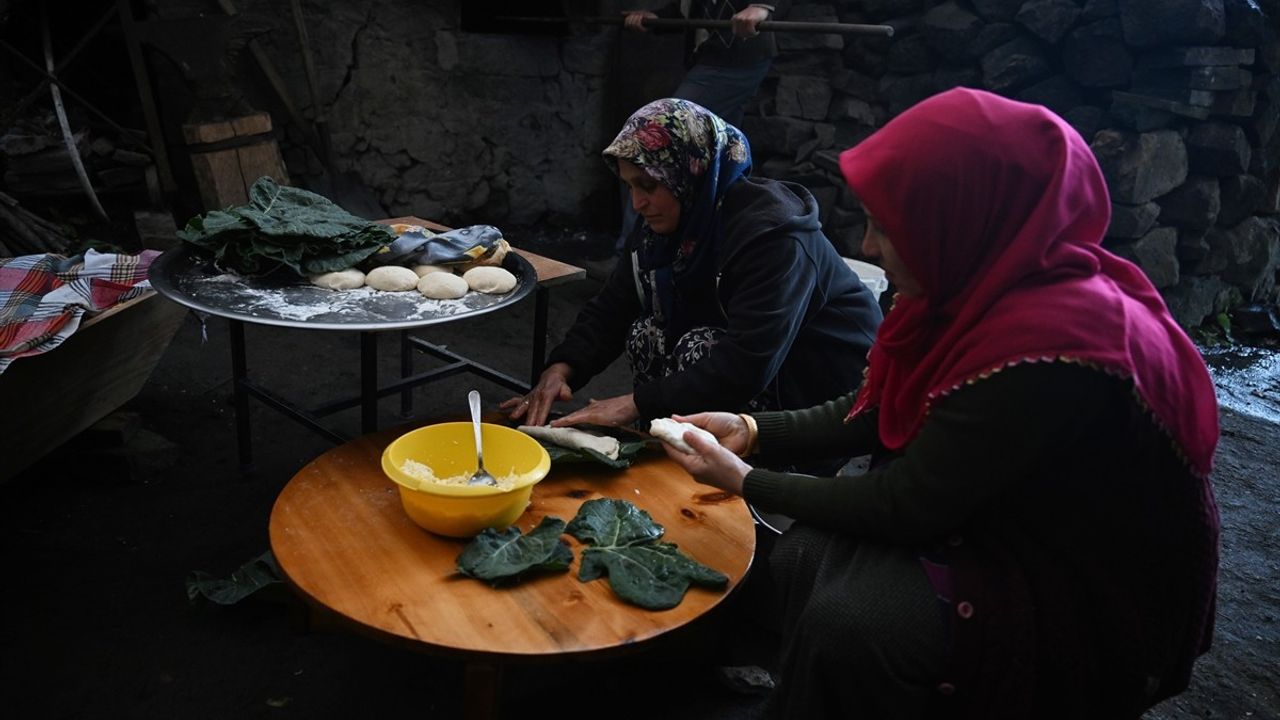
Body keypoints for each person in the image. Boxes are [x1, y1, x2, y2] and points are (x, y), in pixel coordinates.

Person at [658, 87, 1222, 718]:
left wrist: (746, 479)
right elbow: (876, 406)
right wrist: (753, 428)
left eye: (884, 226)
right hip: (991, 510)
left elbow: (906, 504)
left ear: (962, 218)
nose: (867, 247)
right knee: (794, 558)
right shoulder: (965, 286)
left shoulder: (1052, 349)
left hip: (1070, 578)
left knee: (852, 623)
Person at [502, 97, 882, 440]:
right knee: (646, 334)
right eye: (629, 186)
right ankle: (662, 447)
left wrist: (634, 403)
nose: (637, 202)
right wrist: (562, 369)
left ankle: (717, 484)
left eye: (648, 185)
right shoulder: (666, 225)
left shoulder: (771, 237)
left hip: (822, 389)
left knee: (698, 348)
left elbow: (747, 361)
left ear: (690, 173)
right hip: (762, 366)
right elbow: (615, 305)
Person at [621, 1, 791, 129]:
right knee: (722, 137)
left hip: (734, 57)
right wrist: (657, 18)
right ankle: (725, 174)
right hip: (710, 57)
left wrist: (761, 6)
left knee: (670, 125)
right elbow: (688, 8)